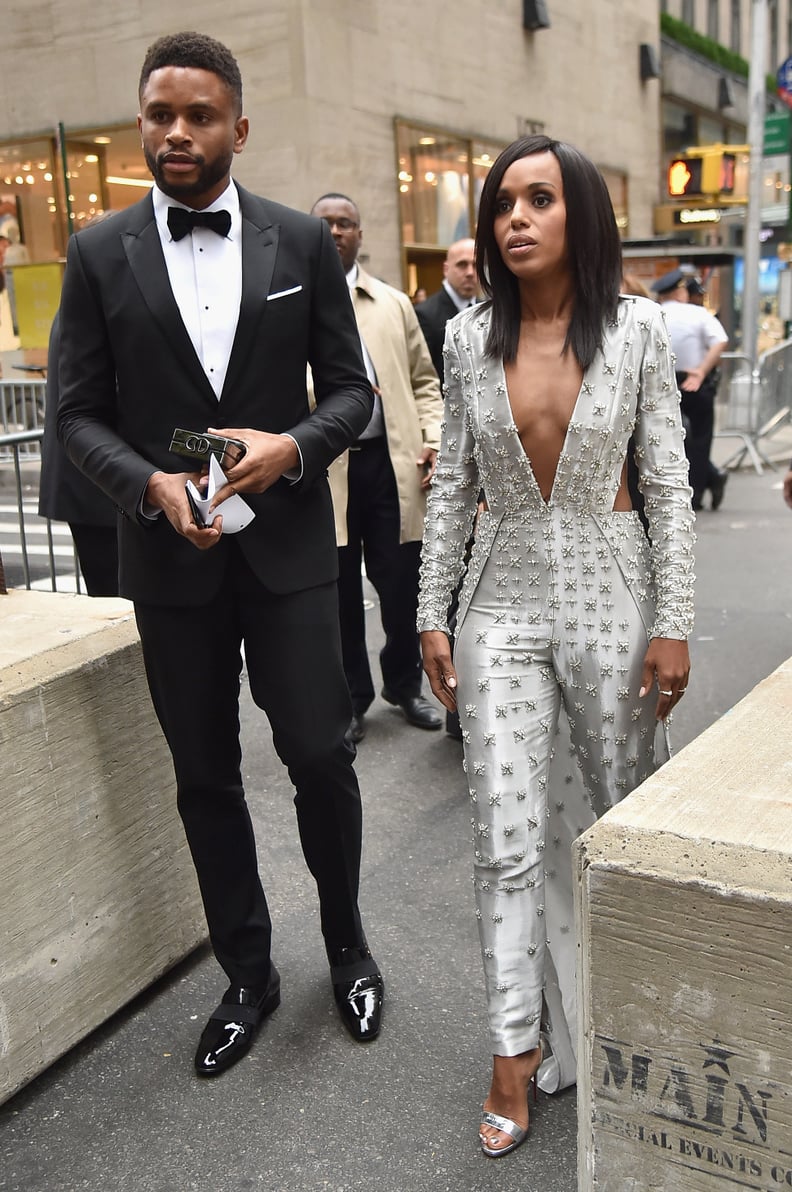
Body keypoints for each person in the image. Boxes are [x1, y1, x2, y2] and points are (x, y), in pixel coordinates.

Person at [57, 31, 384, 1078]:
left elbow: (352, 394)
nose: (178, 133)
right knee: (205, 776)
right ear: (139, 125)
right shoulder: (99, 252)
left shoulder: (299, 241)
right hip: (170, 564)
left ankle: (348, 944)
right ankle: (248, 971)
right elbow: (76, 415)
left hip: (288, 553)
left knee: (321, 757)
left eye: (200, 115)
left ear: (239, 127)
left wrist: (292, 445)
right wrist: (147, 485)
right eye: (161, 115)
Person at [418, 134, 694, 1158]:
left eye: (539, 199)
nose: (516, 218)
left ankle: (636, 1029)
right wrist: (430, 613)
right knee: (502, 832)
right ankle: (511, 1052)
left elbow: (665, 485)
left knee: (622, 824)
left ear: (580, 213)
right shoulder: (467, 335)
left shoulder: (634, 328)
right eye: (502, 204)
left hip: (613, 596)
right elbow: (451, 484)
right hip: (501, 598)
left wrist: (674, 623)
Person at [310, 192, 443, 744]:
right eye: (327, 224)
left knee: (401, 587)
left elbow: (424, 383)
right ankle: (352, 699)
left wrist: (433, 439)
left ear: (361, 234)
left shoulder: (392, 303)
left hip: (392, 468)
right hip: (328, 472)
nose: (337, 232)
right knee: (338, 592)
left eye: (347, 224)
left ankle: (405, 685)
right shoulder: (291, 304)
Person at [39, 214, 120, 596]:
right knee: (121, 612)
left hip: (97, 485)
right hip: (100, 486)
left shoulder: (83, 303)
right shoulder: (94, 306)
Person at [652, 268, 729, 512]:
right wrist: (702, 370)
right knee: (700, 439)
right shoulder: (698, 314)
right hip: (694, 381)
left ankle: (674, 494)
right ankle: (696, 494)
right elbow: (720, 340)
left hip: (659, 384)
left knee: (665, 441)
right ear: (680, 291)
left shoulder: (653, 314)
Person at [415, 238, 478, 379]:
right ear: (446, 269)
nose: (470, 272)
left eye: (475, 265)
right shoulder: (425, 314)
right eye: (462, 265)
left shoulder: (488, 311)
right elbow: (423, 375)